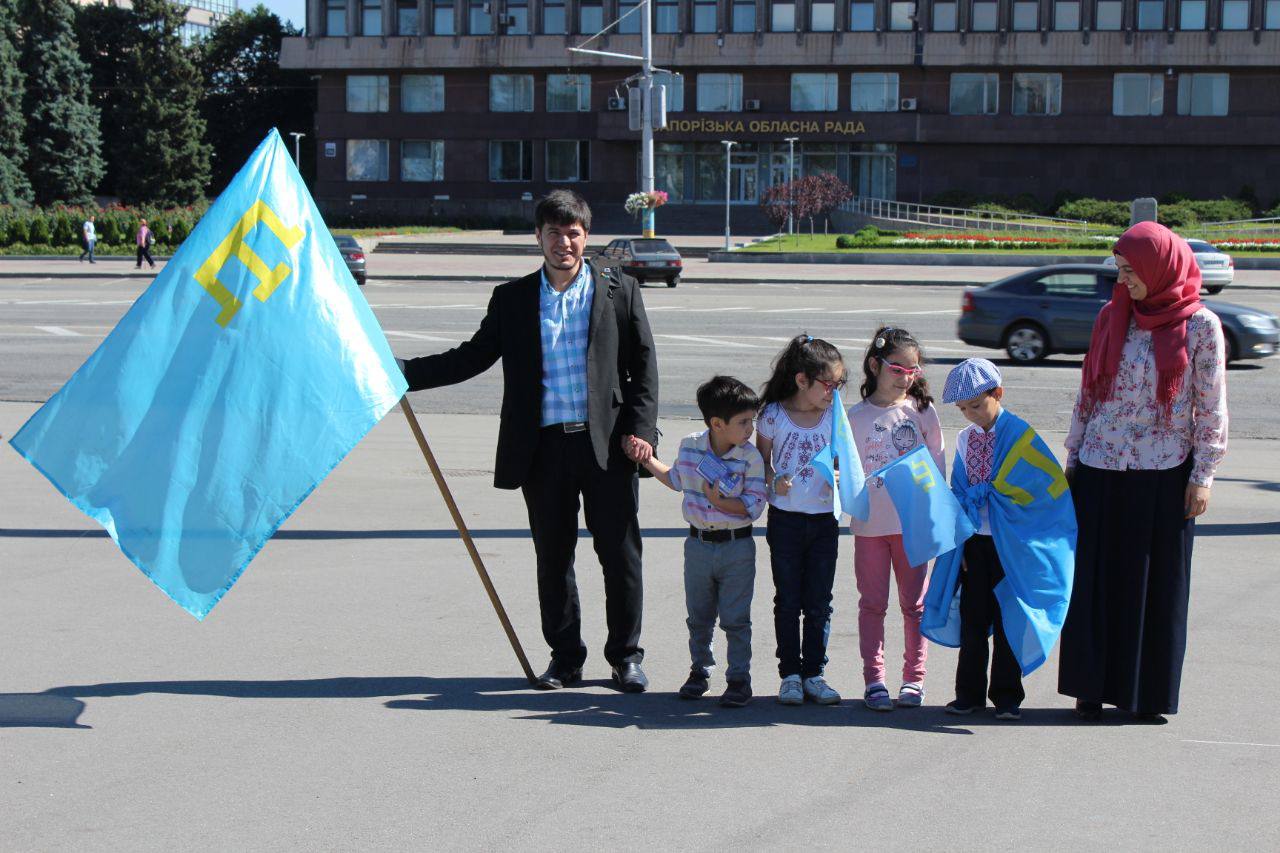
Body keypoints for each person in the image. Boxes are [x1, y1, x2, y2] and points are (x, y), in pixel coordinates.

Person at [398, 190, 660, 692]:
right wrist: (403, 373)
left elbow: (643, 368)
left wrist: (642, 432)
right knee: (554, 558)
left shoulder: (618, 289)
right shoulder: (513, 299)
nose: (565, 242)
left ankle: (626, 656)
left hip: (606, 448)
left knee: (620, 555)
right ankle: (565, 658)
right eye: (554, 233)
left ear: (586, 237)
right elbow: (471, 357)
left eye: (574, 233)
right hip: (542, 451)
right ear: (538, 237)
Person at [1058, 221, 1227, 723]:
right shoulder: (1114, 314)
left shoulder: (1200, 326)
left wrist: (1204, 474)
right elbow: (1090, 389)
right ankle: (1091, 687)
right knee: (1096, 582)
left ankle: (1146, 695)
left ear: (1160, 266)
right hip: (1100, 466)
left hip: (1163, 470)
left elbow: (1210, 405)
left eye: (1133, 270)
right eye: (1121, 269)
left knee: (1155, 584)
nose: (1125, 279)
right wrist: (1073, 458)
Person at [925, 358, 1076, 722]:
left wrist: (994, 494)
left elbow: (1044, 492)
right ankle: (968, 695)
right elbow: (958, 491)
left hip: (1015, 546)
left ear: (998, 393)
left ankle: (1007, 697)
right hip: (976, 544)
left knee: (1011, 619)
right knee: (974, 620)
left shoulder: (1023, 436)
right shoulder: (964, 439)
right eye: (963, 409)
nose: (970, 415)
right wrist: (959, 544)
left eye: (976, 405)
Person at [635, 376, 766, 707]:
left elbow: (753, 506)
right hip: (698, 546)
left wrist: (720, 502)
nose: (751, 428)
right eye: (744, 422)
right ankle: (699, 672)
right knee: (699, 616)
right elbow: (676, 479)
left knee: (736, 618)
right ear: (717, 424)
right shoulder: (691, 445)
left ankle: (739, 678)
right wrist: (646, 459)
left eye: (752, 420)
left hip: (737, 547)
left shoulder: (750, 457)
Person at [846, 326, 944, 711]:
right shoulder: (854, 416)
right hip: (869, 527)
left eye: (913, 370)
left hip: (912, 526)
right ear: (875, 365)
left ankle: (913, 680)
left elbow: (937, 463)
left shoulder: (921, 411)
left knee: (914, 605)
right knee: (872, 604)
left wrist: (934, 512)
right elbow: (845, 469)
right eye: (898, 369)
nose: (906, 377)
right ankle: (874, 680)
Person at [756, 334, 845, 706]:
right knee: (788, 600)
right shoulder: (773, 415)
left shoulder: (835, 414)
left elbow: (845, 461)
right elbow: (760, 463)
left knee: (819, 602)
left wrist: (839, 474)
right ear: (802, 380)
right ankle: (790, 674)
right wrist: (774, 479)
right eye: (828, 384)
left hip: (825, 521)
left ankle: (814, 673)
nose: (834, 391)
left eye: (839, 384)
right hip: (786, 520)